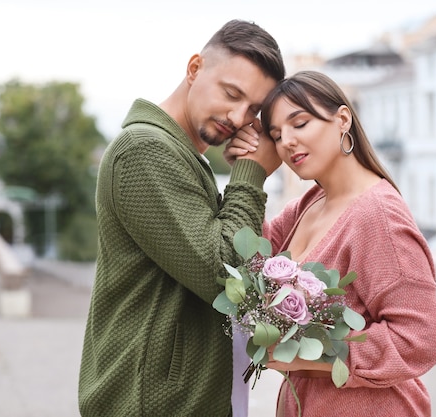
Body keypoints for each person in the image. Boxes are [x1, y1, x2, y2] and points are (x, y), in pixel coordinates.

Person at [78, 19, 285, 417]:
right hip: (149, 403)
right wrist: (251, 172)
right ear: (194, 69)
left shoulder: (184, 158)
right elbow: (225, 276)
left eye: (254, 109)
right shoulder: (143, 150)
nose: (239, 116)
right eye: (232, 93)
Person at [226, 71, 436, 416]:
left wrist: (309, 353)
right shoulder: (308, 204)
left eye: (300, 123)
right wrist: (249, 169)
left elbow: (420, 339)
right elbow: (243, 260)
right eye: (277, 134)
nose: (288, 142)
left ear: (343, 119)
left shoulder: (377, 215)